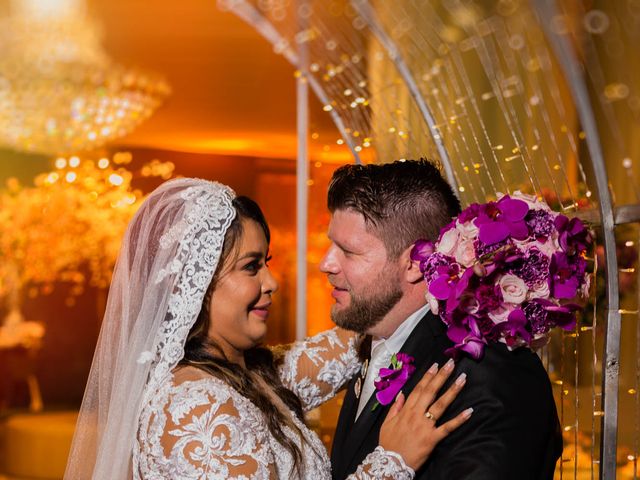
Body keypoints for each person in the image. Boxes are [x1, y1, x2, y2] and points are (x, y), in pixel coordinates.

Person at [64, 178, 471, 479]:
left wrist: (462, 276)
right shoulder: (194, 406)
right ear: (195, 285)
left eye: (267, 262)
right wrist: (392, 462)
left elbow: (364, 330)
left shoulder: (249, 375)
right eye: (251, 267)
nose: (272, 283)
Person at [323, 160, 563, 480]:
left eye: (348, 251)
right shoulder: (380, 336)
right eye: (331, 245)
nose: (326, 263)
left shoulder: (489, 373)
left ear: (414, 263)